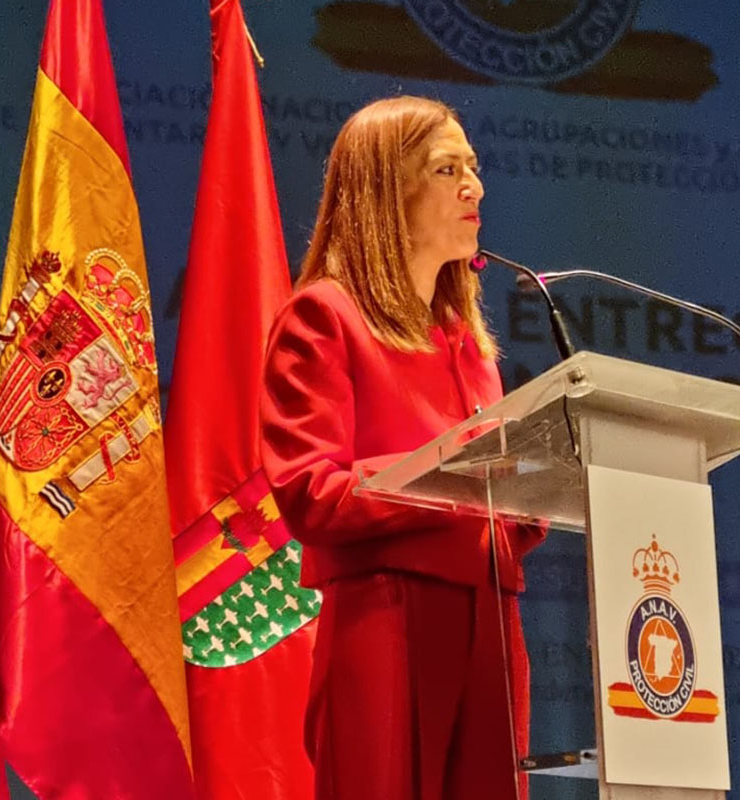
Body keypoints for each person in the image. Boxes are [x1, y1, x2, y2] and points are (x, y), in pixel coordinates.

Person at [259, 96, 545, 799]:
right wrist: (455, 476)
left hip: (492, 628)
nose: (474, 187)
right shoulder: (325, 318)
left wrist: (539, 483)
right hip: (386, 622)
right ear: (386, 191)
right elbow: (308, 493)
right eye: (447, 169)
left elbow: (500, 497)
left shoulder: (469, 343)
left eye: (473, 167)